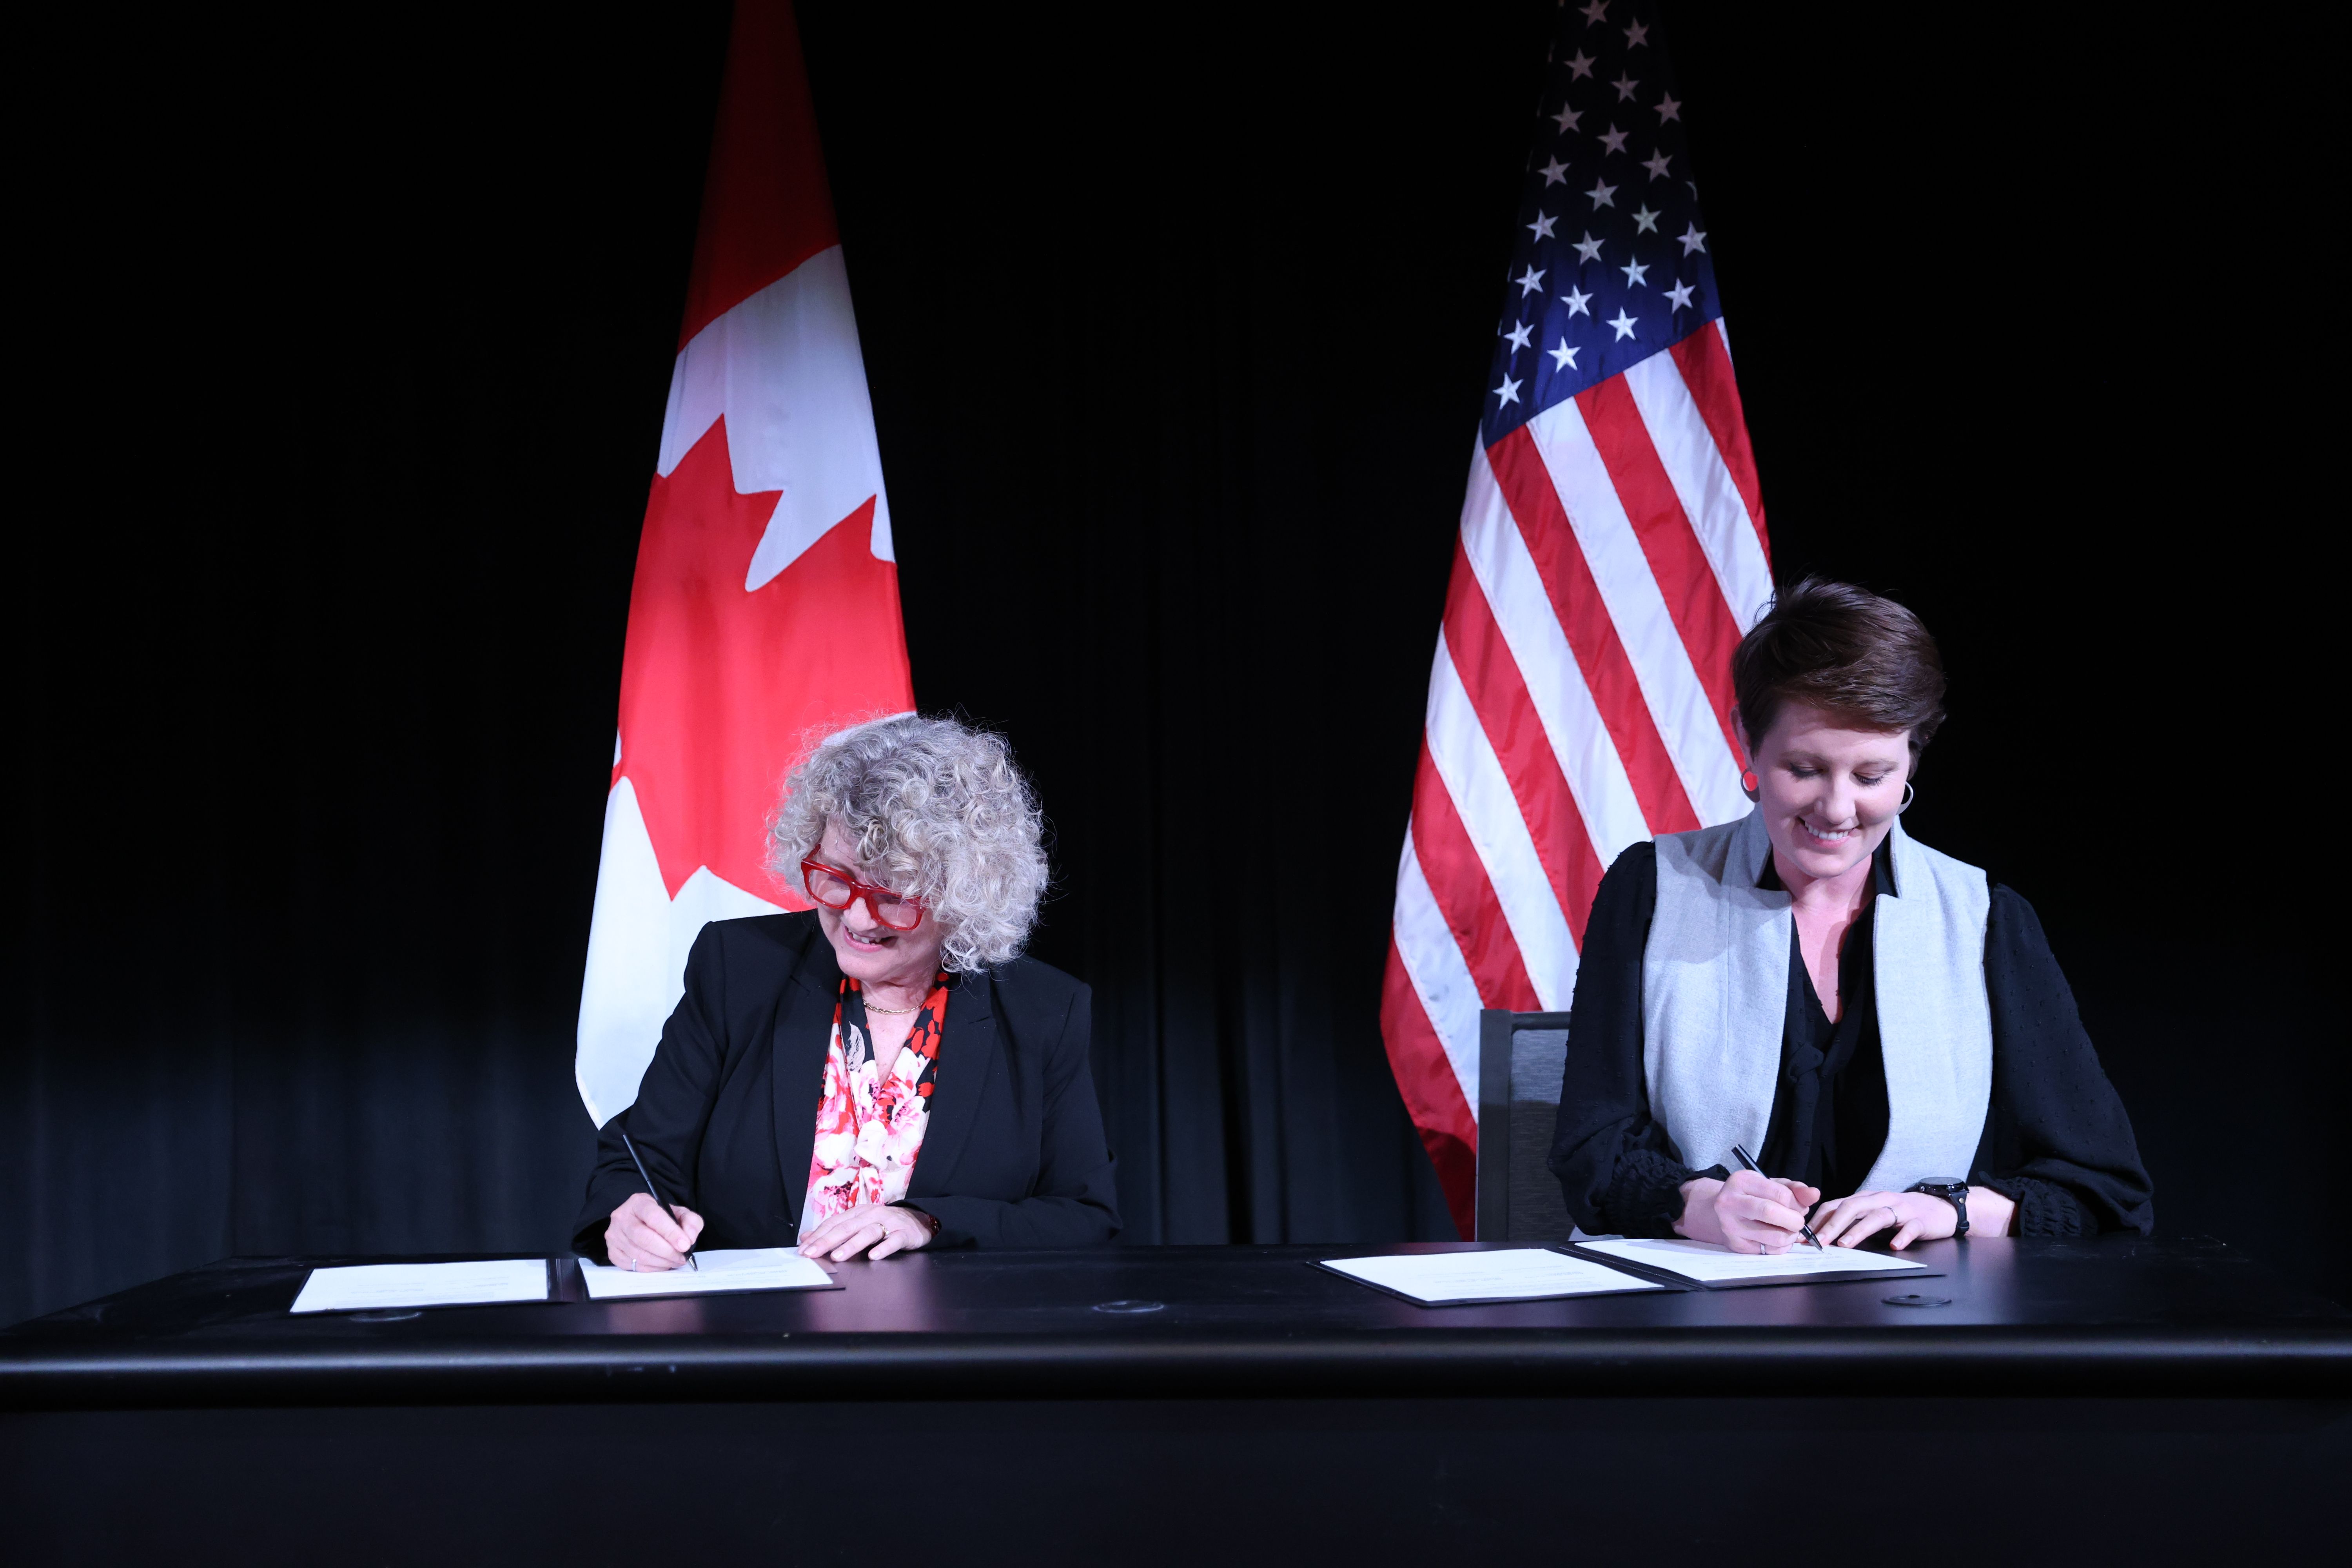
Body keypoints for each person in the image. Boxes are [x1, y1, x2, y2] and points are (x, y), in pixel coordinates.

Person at [1550, 578, 2153, 1253]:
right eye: (1804, 769)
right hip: (1697, 1320)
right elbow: (1591, 1151)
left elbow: (2105, 1191)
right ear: (1747, 741)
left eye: (1871, 777)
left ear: (1912, 759)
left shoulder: (1986, 919)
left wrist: (1952, 1210)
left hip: (1913, 1332)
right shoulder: (1651, 888)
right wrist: (1698, 1205)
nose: (1837, 809)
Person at [575, 714, 1119, 1269]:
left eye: (892, 895)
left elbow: (1083, 1215)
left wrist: (927, 1221)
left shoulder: (1043, 1012)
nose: (856, 917)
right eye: (835, 877)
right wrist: (631, 1216)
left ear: (962, 896)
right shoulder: (736, 970)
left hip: (949, 1343)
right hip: (755, 1339)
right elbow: (638, 1161)